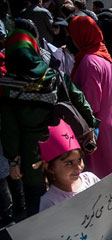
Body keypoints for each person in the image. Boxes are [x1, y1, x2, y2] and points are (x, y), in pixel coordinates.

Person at [0, 27, 98, 216]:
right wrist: (92, 126)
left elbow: (9, 129)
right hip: (64, 147)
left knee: (39, 207)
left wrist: (13, 161)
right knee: (70, 197)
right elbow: (81, 102)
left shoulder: (6, 87)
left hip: (33, 157)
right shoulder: (55, 76)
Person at [69, 15, 112, 179]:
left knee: (102, 179)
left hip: (97, 127)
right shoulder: (103, 56)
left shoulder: (89, 62)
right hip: (111, 122)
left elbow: (91, 103)